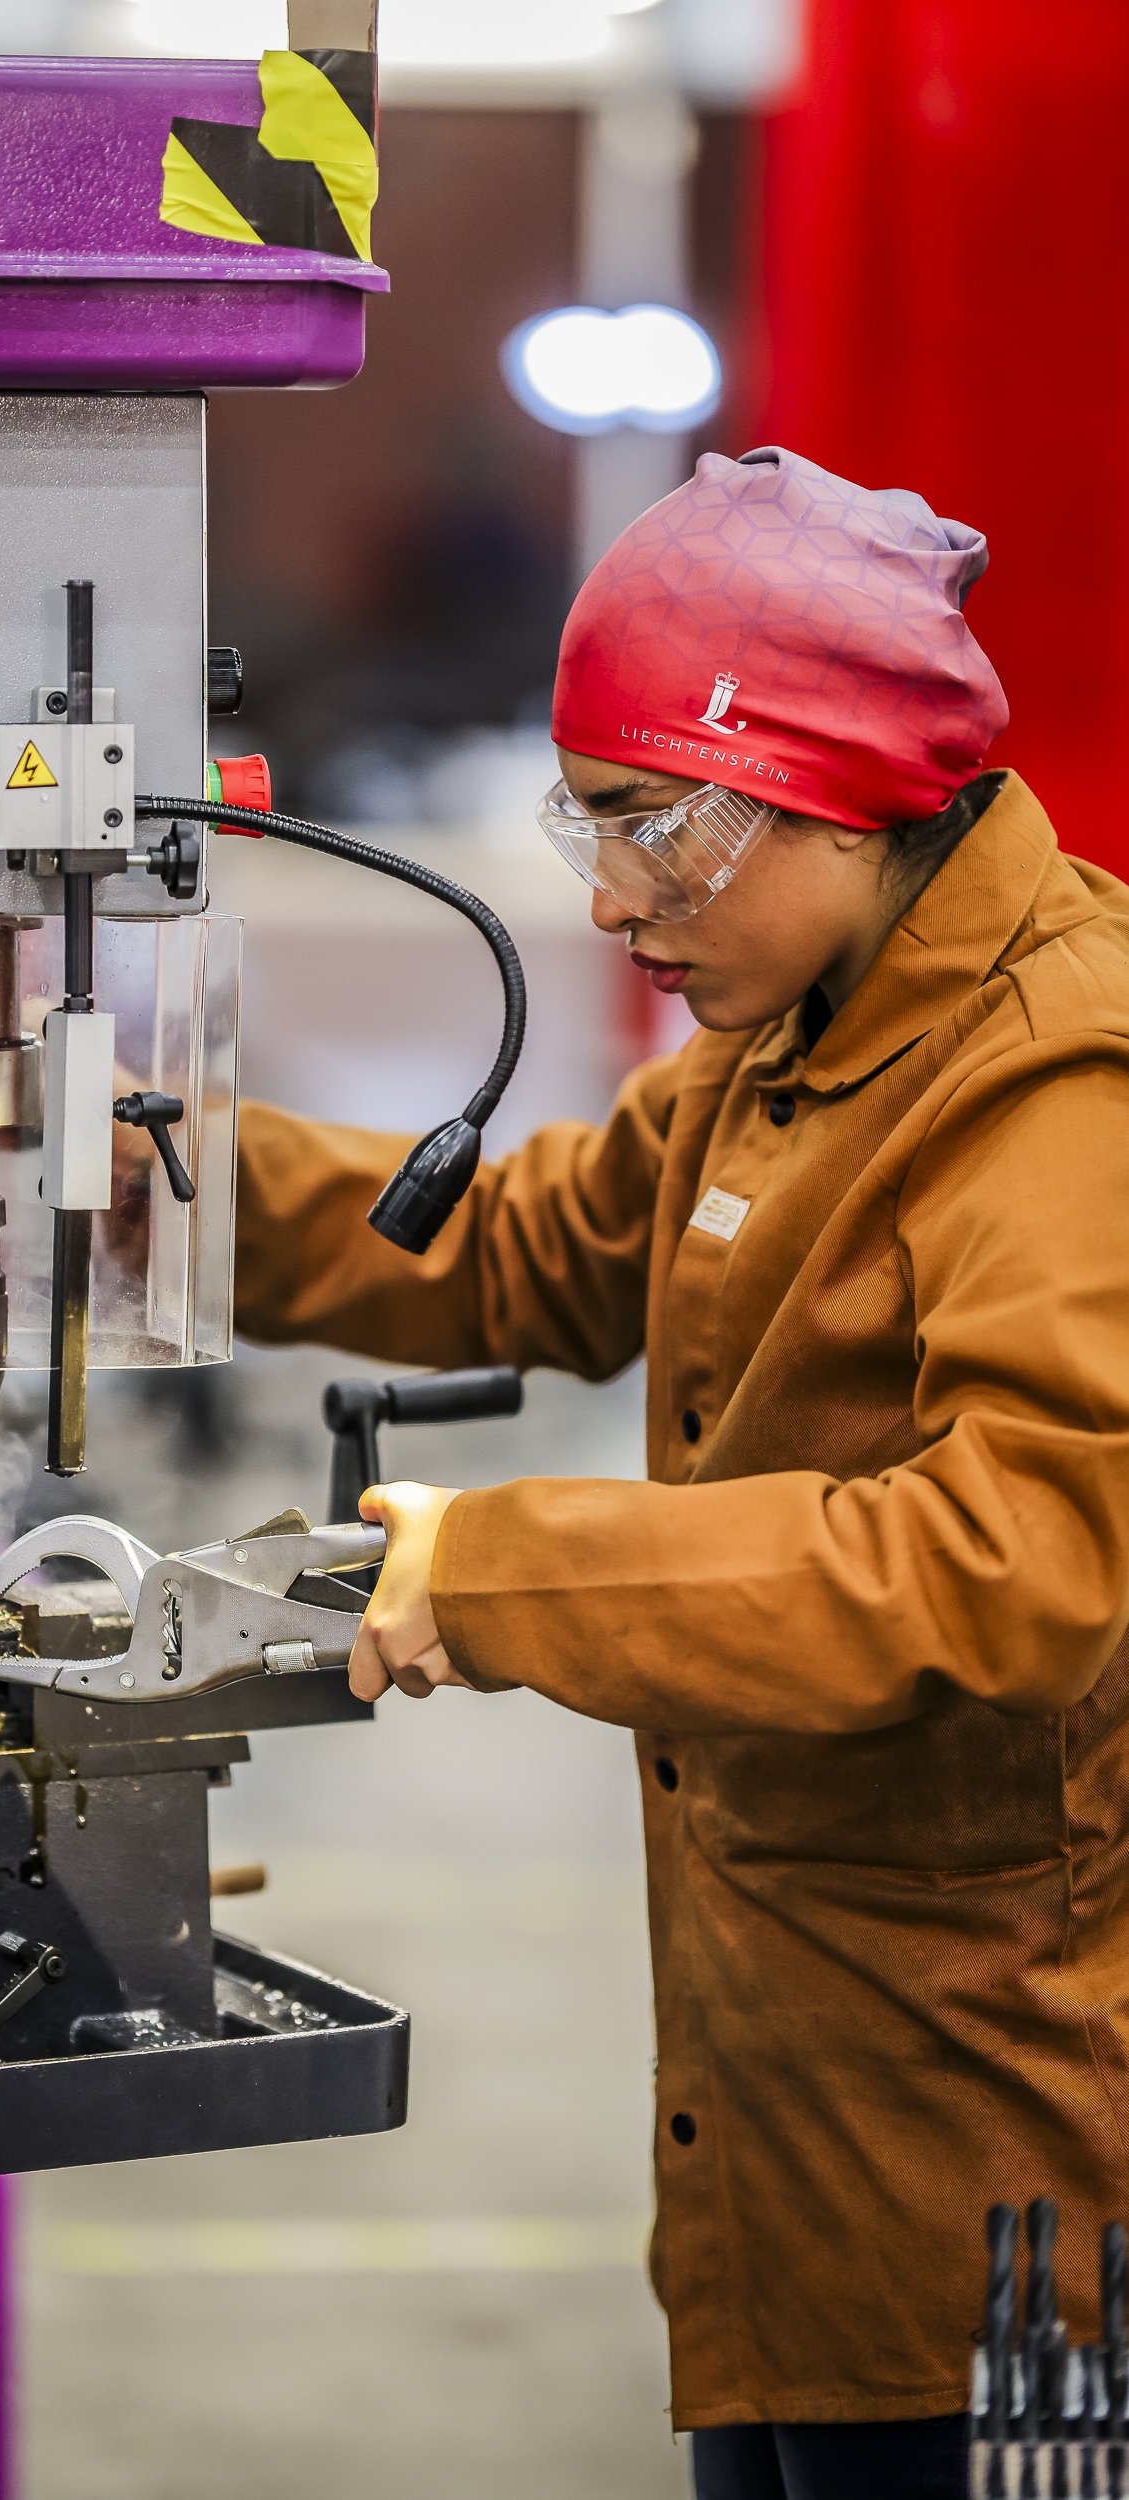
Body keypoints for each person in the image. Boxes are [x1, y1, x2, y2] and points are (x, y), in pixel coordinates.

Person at [231, 445, 1129, 2499]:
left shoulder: (1060, 1083)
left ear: (831, 787)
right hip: (778, 2113)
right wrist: (178, 1191)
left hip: (998, 2168)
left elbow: (1016, 1553)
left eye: (654, 831)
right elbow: (543, 1242)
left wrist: (508, 1573)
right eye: (593, 824)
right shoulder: (792, 1019)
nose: (612, 900)